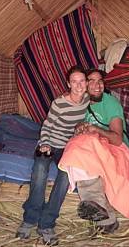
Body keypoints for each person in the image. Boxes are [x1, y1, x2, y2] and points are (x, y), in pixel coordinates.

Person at [59, 69, 129, 234]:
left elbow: (117, 139)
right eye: (91, 81)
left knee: (83, 145)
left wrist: (95, 128)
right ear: (85, 85)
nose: (97, 85)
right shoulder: (79, 102)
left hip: (114, 147)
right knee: (76, 147)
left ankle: (99, 210)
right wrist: (78, 127)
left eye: (100, 81)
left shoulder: (111, 103)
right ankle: (104, 215)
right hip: (91, 146)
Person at [16, 66, 89, 245]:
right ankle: (30, 219)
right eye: (74, 81)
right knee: (40, 169)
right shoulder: (59, 103)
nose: (78, 85)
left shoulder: (89, 100)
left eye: (82, 81)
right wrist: (45, 143)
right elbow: (47, 126)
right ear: (68, 84)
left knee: (65, 177)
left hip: (68, 147)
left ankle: (46, 224)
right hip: (50, 143)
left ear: (86, 83)